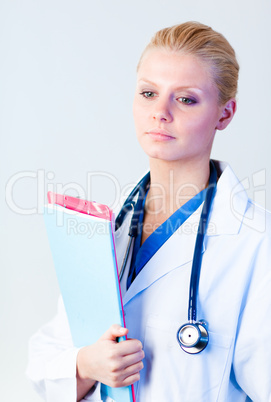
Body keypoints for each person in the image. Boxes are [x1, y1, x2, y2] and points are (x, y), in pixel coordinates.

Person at [26, 21, 271, 401]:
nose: (160, 112)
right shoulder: (107, 228)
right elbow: (45, 363)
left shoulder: (255, 242)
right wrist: (86, 365)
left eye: (186, 99)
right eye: (148, 93)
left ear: (225, 114)